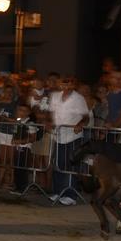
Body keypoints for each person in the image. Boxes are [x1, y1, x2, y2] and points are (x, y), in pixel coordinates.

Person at [48, 76, 89, 205]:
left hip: (73, 136)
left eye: (69, 83)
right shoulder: (54, 96)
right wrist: (49, 122)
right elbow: (51, 113)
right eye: (64, 83)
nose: (66, 86)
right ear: (60, 84)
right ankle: (58, 192)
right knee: (58, 164)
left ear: (73, 85)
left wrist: (80, 124)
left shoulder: (79, 98)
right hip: (58, 135)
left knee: (70, 164)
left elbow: (86, 117)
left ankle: (71, 195)